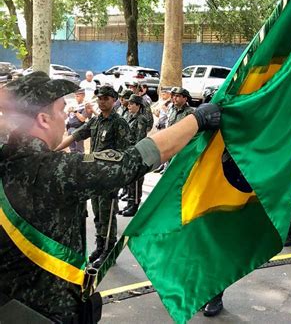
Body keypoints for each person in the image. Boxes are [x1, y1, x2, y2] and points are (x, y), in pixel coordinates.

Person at [0, 71, 221, 322]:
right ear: (43, 119)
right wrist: (198, 120)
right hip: (46, 312)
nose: (65, 118)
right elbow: (133, 160)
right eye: (61, 110)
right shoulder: (55, 171)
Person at [55, 86, 132, 268]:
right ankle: (100, 246)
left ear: (114, 100)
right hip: (94, 177)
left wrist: (116, 178)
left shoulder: (119, 123)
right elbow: (75, 135)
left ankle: (108, 250)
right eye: (99, 98)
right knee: (97, 212)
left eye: (106, 98)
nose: (101, 101)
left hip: (109, 178)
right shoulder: (96, 121)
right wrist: (53, 151)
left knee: (107, 213)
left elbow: (123, 153)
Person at [120, 94, 149, 217]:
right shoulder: (130, 116)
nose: (129, 105)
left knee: (136, 181)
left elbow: (140, 138)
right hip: (128, 151)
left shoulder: (141, 119)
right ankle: (130, 203)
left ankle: (135, 205)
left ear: (138, 105)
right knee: (130, 180)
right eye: (129, 103)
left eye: (132, 104)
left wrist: (136, 154)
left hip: (136, 153)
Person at [66, 88, 92, 153]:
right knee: (72, 148)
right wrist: (68, 112)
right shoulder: (73, 104)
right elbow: (68, 116)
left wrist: (75, 111)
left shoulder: (85, 105)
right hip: (70, 128)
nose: (75, 97)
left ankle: (81, 162)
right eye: (75, 96)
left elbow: (83, 119)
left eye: (77, 96)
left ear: (83, 96)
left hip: (79, 129)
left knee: (79, 149)